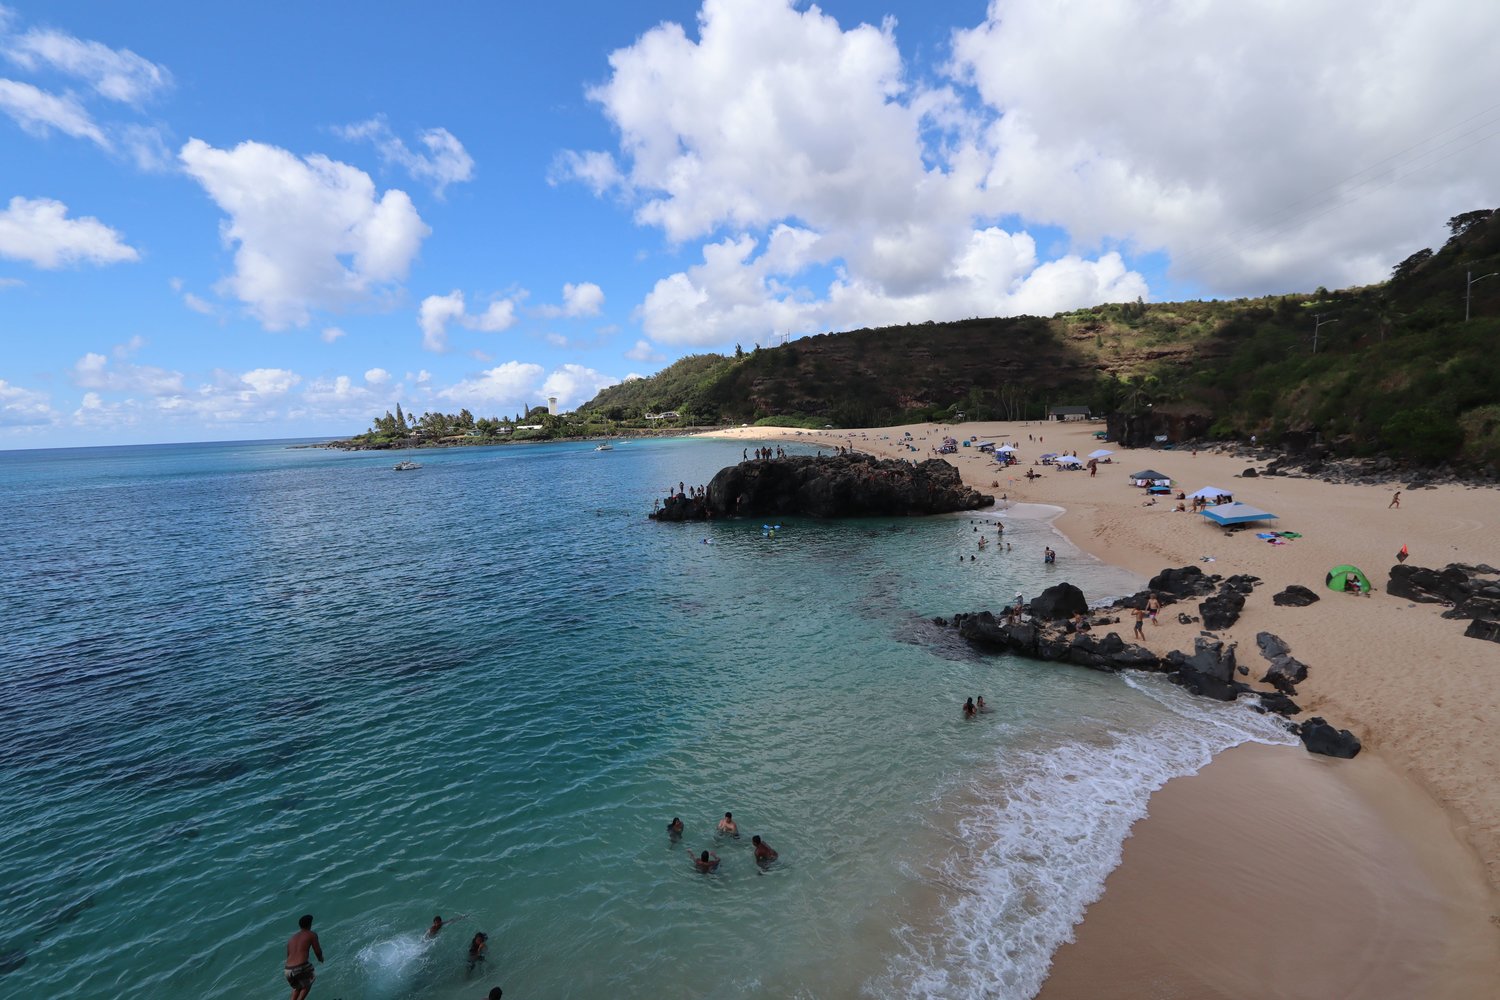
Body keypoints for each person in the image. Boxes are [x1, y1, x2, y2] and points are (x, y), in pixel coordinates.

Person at [284, 914, 324, 1000]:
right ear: (310, 924)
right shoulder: (311, 934)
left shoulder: (292, 938)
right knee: (308, 982)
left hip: (287, 970)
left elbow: (288, 955)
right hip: (300, 967)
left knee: (297, 987)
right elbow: (317, 951)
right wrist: (320, 958)